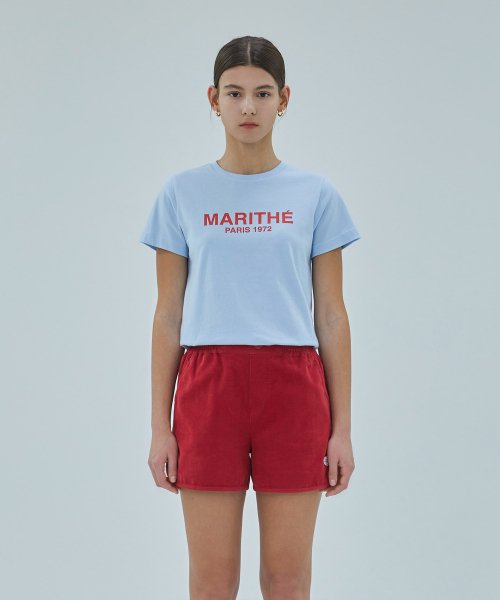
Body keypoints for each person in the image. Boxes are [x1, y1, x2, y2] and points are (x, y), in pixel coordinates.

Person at [139, 35, 361, 600]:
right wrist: (160, 427)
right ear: (213, 99)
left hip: (294, 387)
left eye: (262, 93)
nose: (248, 107)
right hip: (208, 386)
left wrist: (342, 430)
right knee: (213, 581)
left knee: (286, 579)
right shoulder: (182, 193)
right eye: (234, 92)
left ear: (283, 99)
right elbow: (168, 316)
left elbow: (332, 315)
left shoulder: (315, 194)